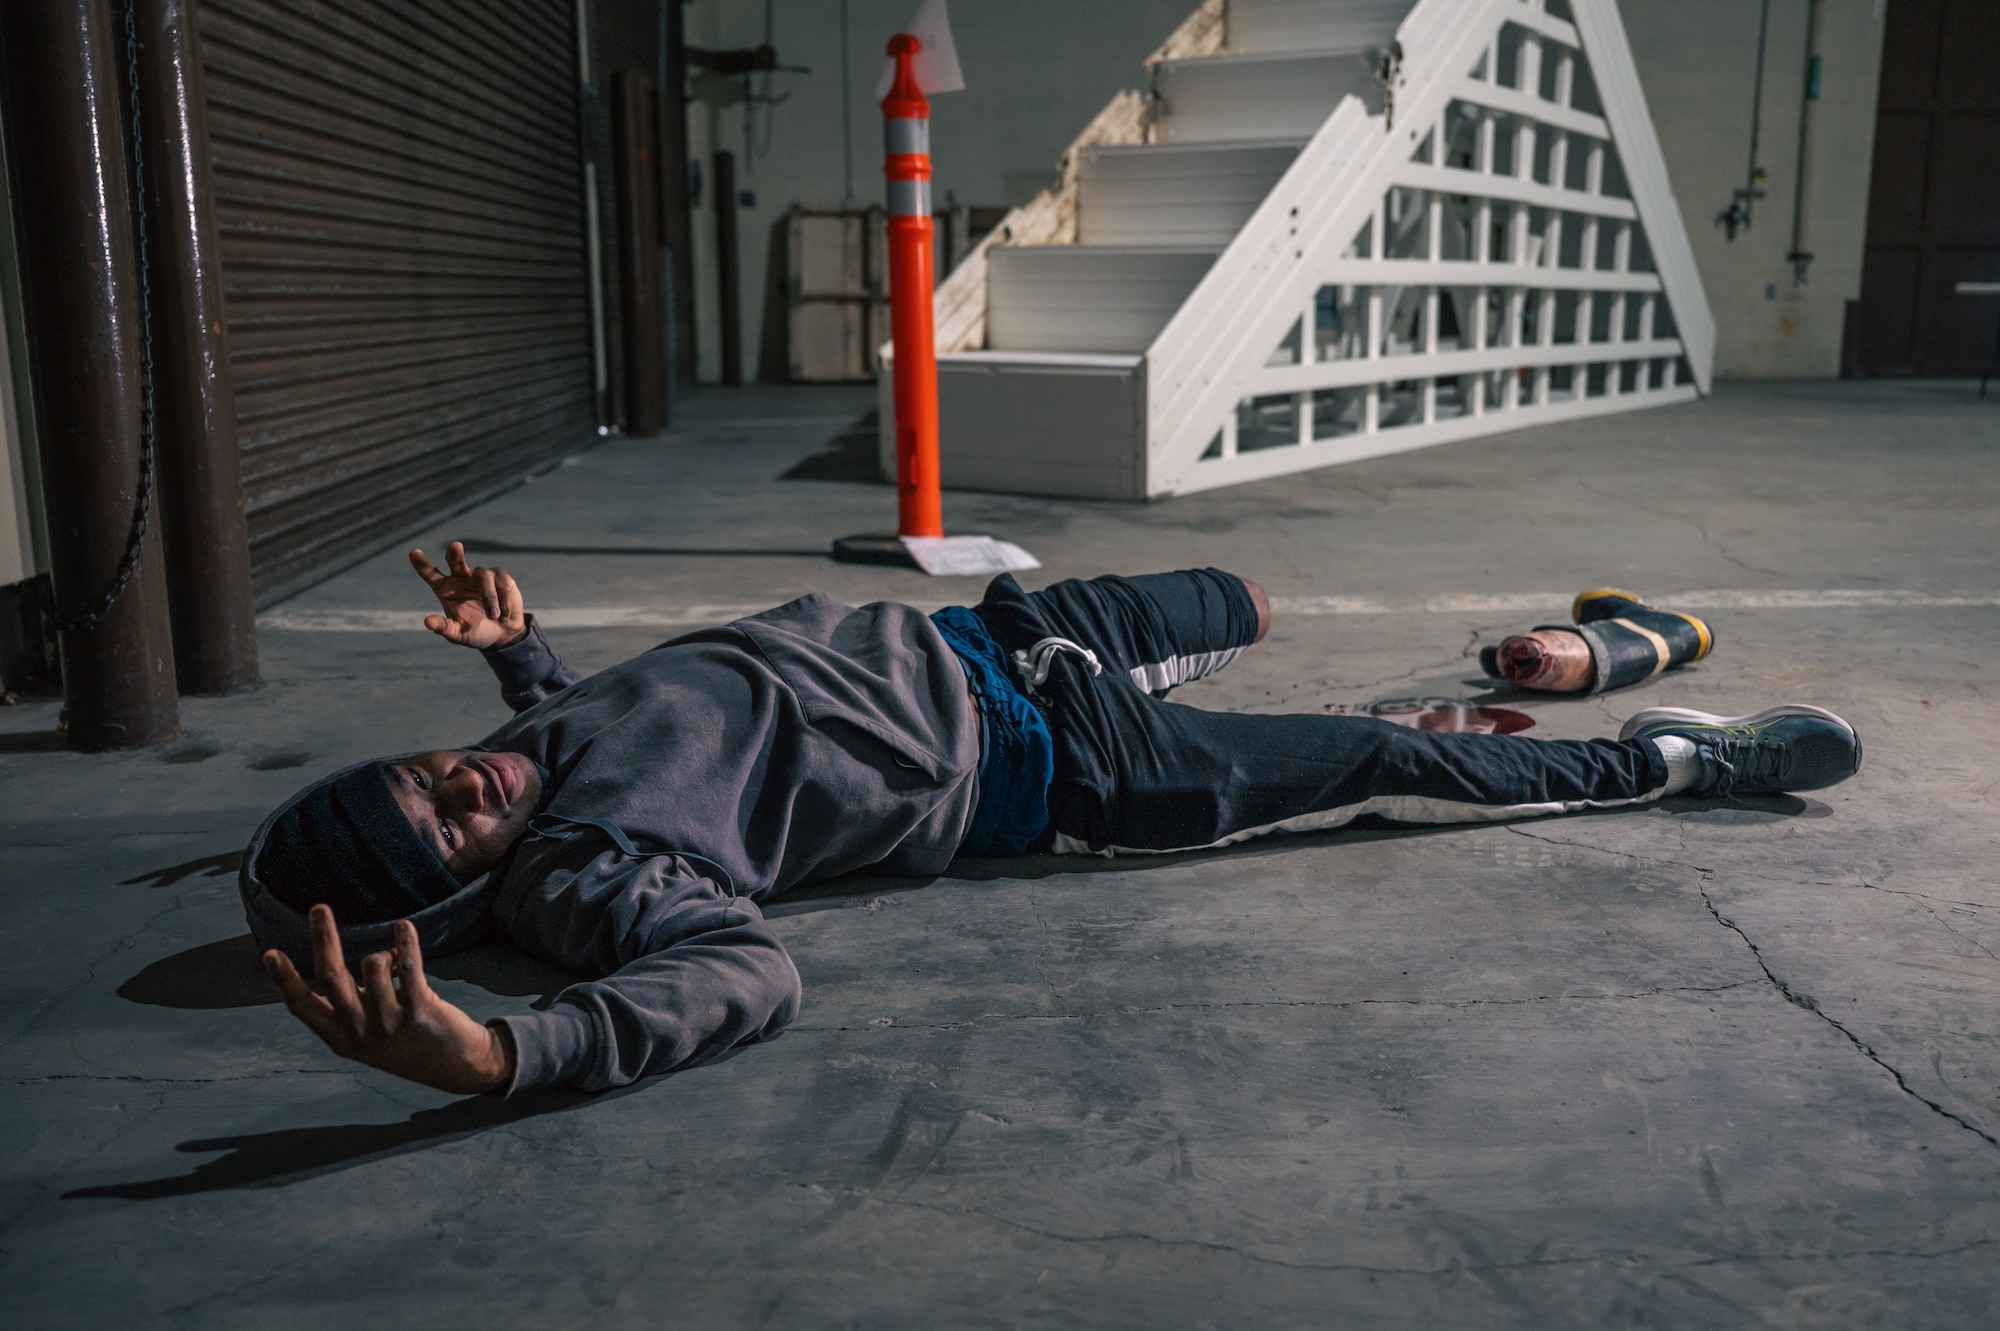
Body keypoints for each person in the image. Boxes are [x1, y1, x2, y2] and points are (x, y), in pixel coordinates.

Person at [243, 544, 1863, 1098]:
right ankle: (1672, 761)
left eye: (428, 767)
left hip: (1007, 632)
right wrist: (507, 1056)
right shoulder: (592, 880)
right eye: (455, 826)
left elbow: (606, 724)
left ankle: (1418, 701)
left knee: (1252, 600)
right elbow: (742, 977)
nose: (473, 781)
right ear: (474, 895)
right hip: (1067, 768)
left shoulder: (525, 734)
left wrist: (518, 649)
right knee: (1384, 762)